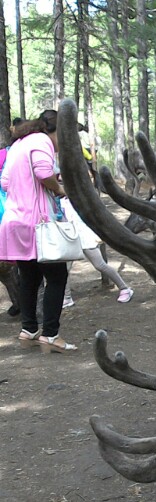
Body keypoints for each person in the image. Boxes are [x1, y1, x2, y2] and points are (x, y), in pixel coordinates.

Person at [0, 110, 77, 352]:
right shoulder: (42, 140)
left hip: (16, 221)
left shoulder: (19, 144)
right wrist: (60, 190)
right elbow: (43, 173)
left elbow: (4, 182)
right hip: (38, 223)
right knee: (56, 277)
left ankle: (29, 329)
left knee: (29, 277)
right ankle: (51, 336)